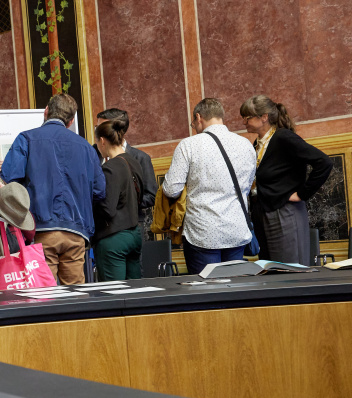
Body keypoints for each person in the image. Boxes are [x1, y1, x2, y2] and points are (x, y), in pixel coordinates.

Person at [0, 93, 106, 284]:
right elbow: (100, 191)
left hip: (40, 230)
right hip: (77, 231)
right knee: (75, 296)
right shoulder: (87, 148)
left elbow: (9, 181)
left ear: (46, 111)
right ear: (71, 120)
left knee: (44, 294)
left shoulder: (26, 139)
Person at [161, 98, 256, 275]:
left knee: (206, 292)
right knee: (236, 292)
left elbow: (172, 189)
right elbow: (248, 185)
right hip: (236, 229)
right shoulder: (246, 145)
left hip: (203, 231)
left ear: (199, 117)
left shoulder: (189, 145)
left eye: (193, 123)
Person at [240, 95, 333, 265]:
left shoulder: (283, 137)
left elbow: (324, 162)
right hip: (262, 211)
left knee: (289, 270)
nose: (243, 122)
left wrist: (302, 194)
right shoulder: (257, 143)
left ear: (264, 117)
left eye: (247, 117)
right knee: (269, 270)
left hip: (285, 212)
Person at [92, 118, 143, 280]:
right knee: (134, 291)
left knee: (113, 295)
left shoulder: (110, 168)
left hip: (113, 238)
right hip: (134, 234)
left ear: (102, 141)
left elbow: (107, 208)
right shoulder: (134, 161)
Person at [94, 108, 157, 215]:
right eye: (97, 127)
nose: (98, 132)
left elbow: (151, 196)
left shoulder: (140, 158)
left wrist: (123, 204)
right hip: (101, 224)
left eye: (102, 127)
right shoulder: (93, 153)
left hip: (131, 222)